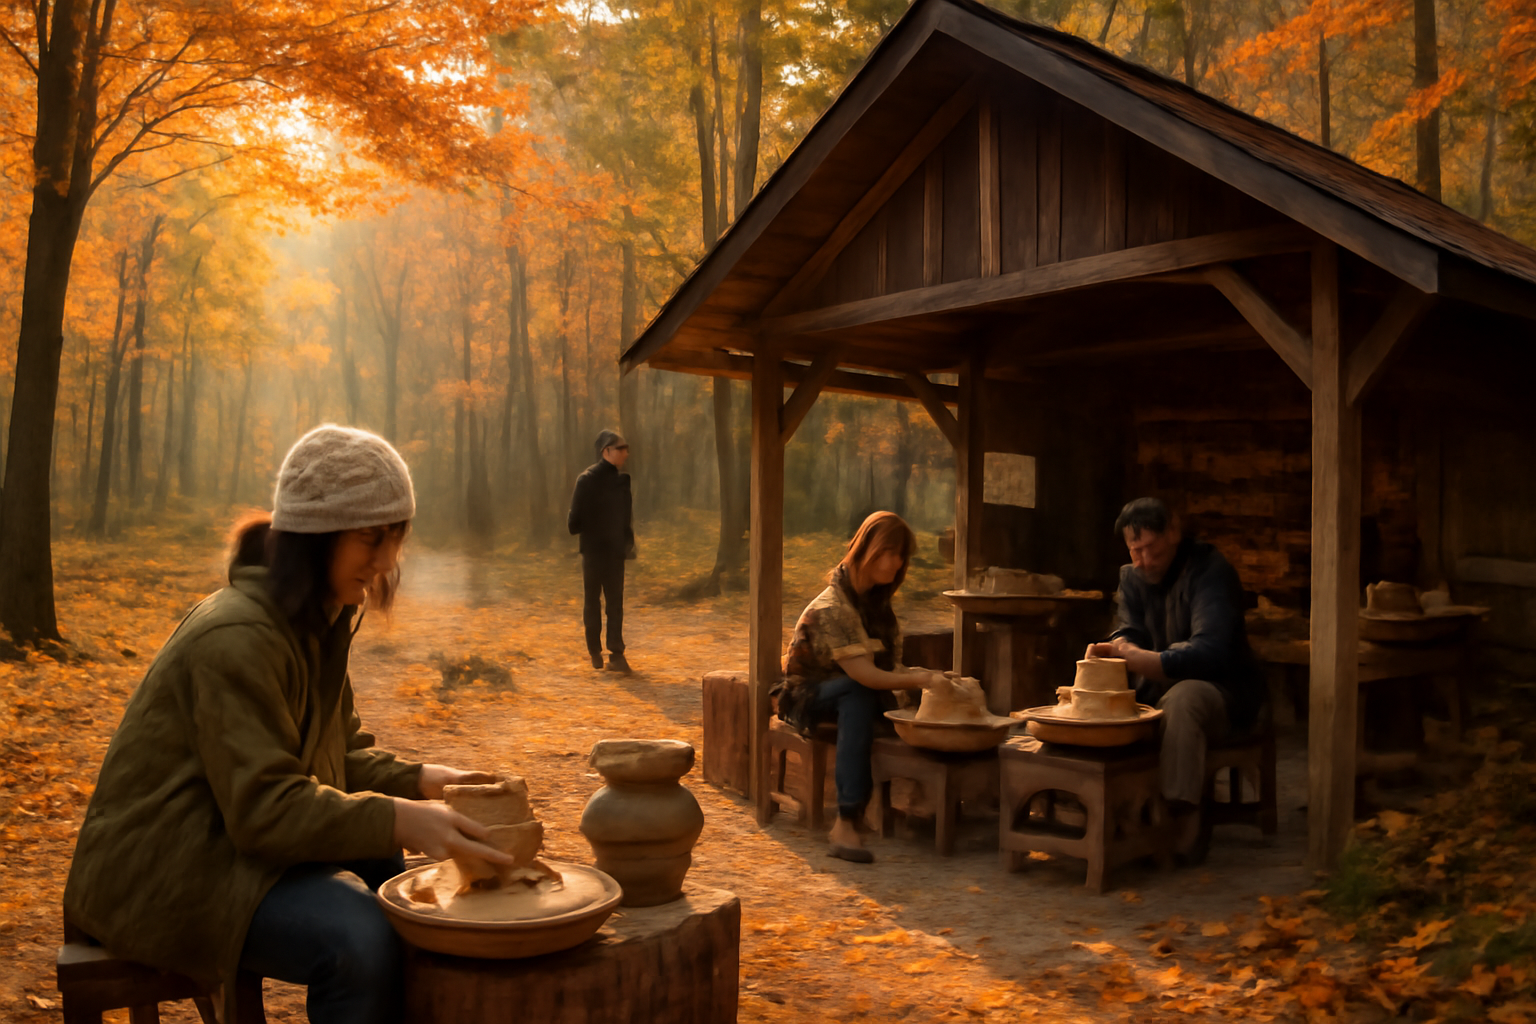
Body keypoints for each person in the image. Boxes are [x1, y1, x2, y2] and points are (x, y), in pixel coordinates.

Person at [63, 425, 513, 1024]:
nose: (383, 564)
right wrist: (405, 817)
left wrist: (435, 781)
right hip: (162, 870)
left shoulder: (313, 621)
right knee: (358, 936)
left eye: (394, 540)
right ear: (315, 537)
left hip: (224, 844)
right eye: (369, 539)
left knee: (395, 881)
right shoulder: (238, 636)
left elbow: (339, 758)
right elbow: (266, 810)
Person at [1085, 497, 1262, 855]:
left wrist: (1143, 659)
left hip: (1222, 689)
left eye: (1152, 549)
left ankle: (1180, 813)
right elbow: (1127, 627)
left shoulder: (1210, 571)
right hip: (1155, 685)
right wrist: (1116, 647)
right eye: (1135, 552)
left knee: (1182, 701)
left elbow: (1211, 651)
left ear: (1174, 532)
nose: (1144, 561)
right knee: (1097, 697)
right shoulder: (1131, 577)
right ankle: (1111, 804)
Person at [773, 511, 944, 864]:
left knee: (900, 697)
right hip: (807, 694)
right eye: (890, 552)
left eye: (901, 556)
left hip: (854, 690)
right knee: (860, 692)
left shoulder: (876, 605)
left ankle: (924, 802)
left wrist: (931, 679)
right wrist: (919, 679)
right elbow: (866, 675)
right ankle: (846, 819)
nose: (897, 563)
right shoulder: (833, 607)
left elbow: (890, 668)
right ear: (867, 548)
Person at [567, 429, 635, 674]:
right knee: (598, 601)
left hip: (610, 552)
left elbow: (626, 518)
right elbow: (573, 522)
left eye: (626, 448)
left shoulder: (621, 481)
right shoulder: (587, 480)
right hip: (597, 552)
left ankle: (612, 654)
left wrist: (627, 543)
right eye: (621, 448)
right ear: (606, 451)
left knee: (610, 602)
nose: (626, 452)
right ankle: (599, 652)